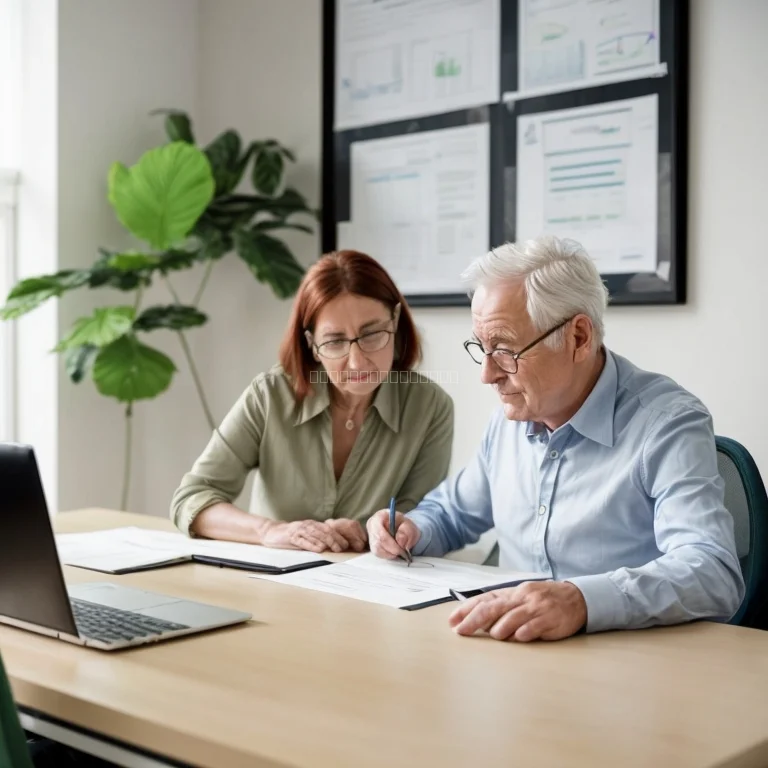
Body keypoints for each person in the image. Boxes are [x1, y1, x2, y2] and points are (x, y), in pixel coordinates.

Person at [368, 235, 744, 641]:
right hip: (514, 648)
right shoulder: (509, 420)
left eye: (505, 349)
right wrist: (411, 529)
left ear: (578, 338)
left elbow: (712, 571)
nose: (487, 375)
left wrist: (582, 600)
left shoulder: (666, 423)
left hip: (629, 659)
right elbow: (453, 513)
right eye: (482, 348)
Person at [171, 250, 454, 553]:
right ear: (312, 345)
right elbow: (192, 498)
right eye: (335, 342)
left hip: (368, 577)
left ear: (395, 320)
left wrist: (378, 532)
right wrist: (270, 531)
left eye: (372, 334)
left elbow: (423, 519)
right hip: (270, 577)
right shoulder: (270, 396)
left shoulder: (430, 407)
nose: (357, 362)